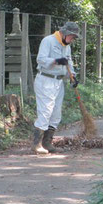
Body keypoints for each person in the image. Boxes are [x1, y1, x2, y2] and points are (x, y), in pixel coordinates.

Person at [32, 21, 80, 154]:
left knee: (56, 113)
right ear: (65, 33)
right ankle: (36, 144)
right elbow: (40, 59)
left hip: (58, 82)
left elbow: (69, 62)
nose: (73, 39)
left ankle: (47, 143)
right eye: (72, 36)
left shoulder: (67, 46)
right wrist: (56, 61)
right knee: (45, 111)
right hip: (45, 80)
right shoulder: (48, 41)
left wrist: (73, 77)